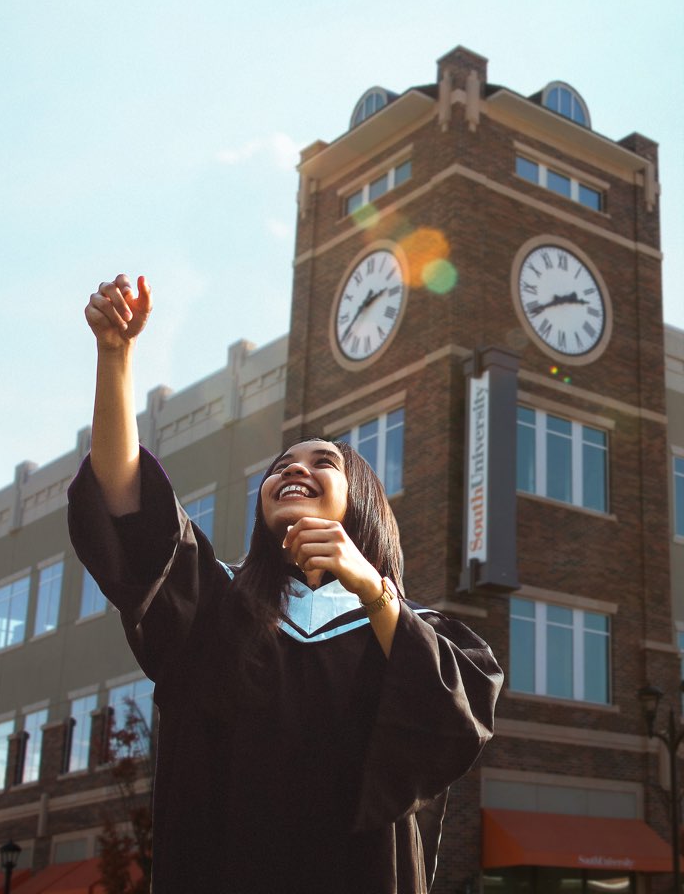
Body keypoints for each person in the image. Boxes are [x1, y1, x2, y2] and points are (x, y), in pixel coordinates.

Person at [68, 274, 503, 894]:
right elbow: (127, 504)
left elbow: (454, 722)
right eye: (281, 467)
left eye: (322, 462)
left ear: (364, 506)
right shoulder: (213, 606)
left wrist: (369, 586)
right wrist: (116, 356)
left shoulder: (415, 635)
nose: (295, 468)